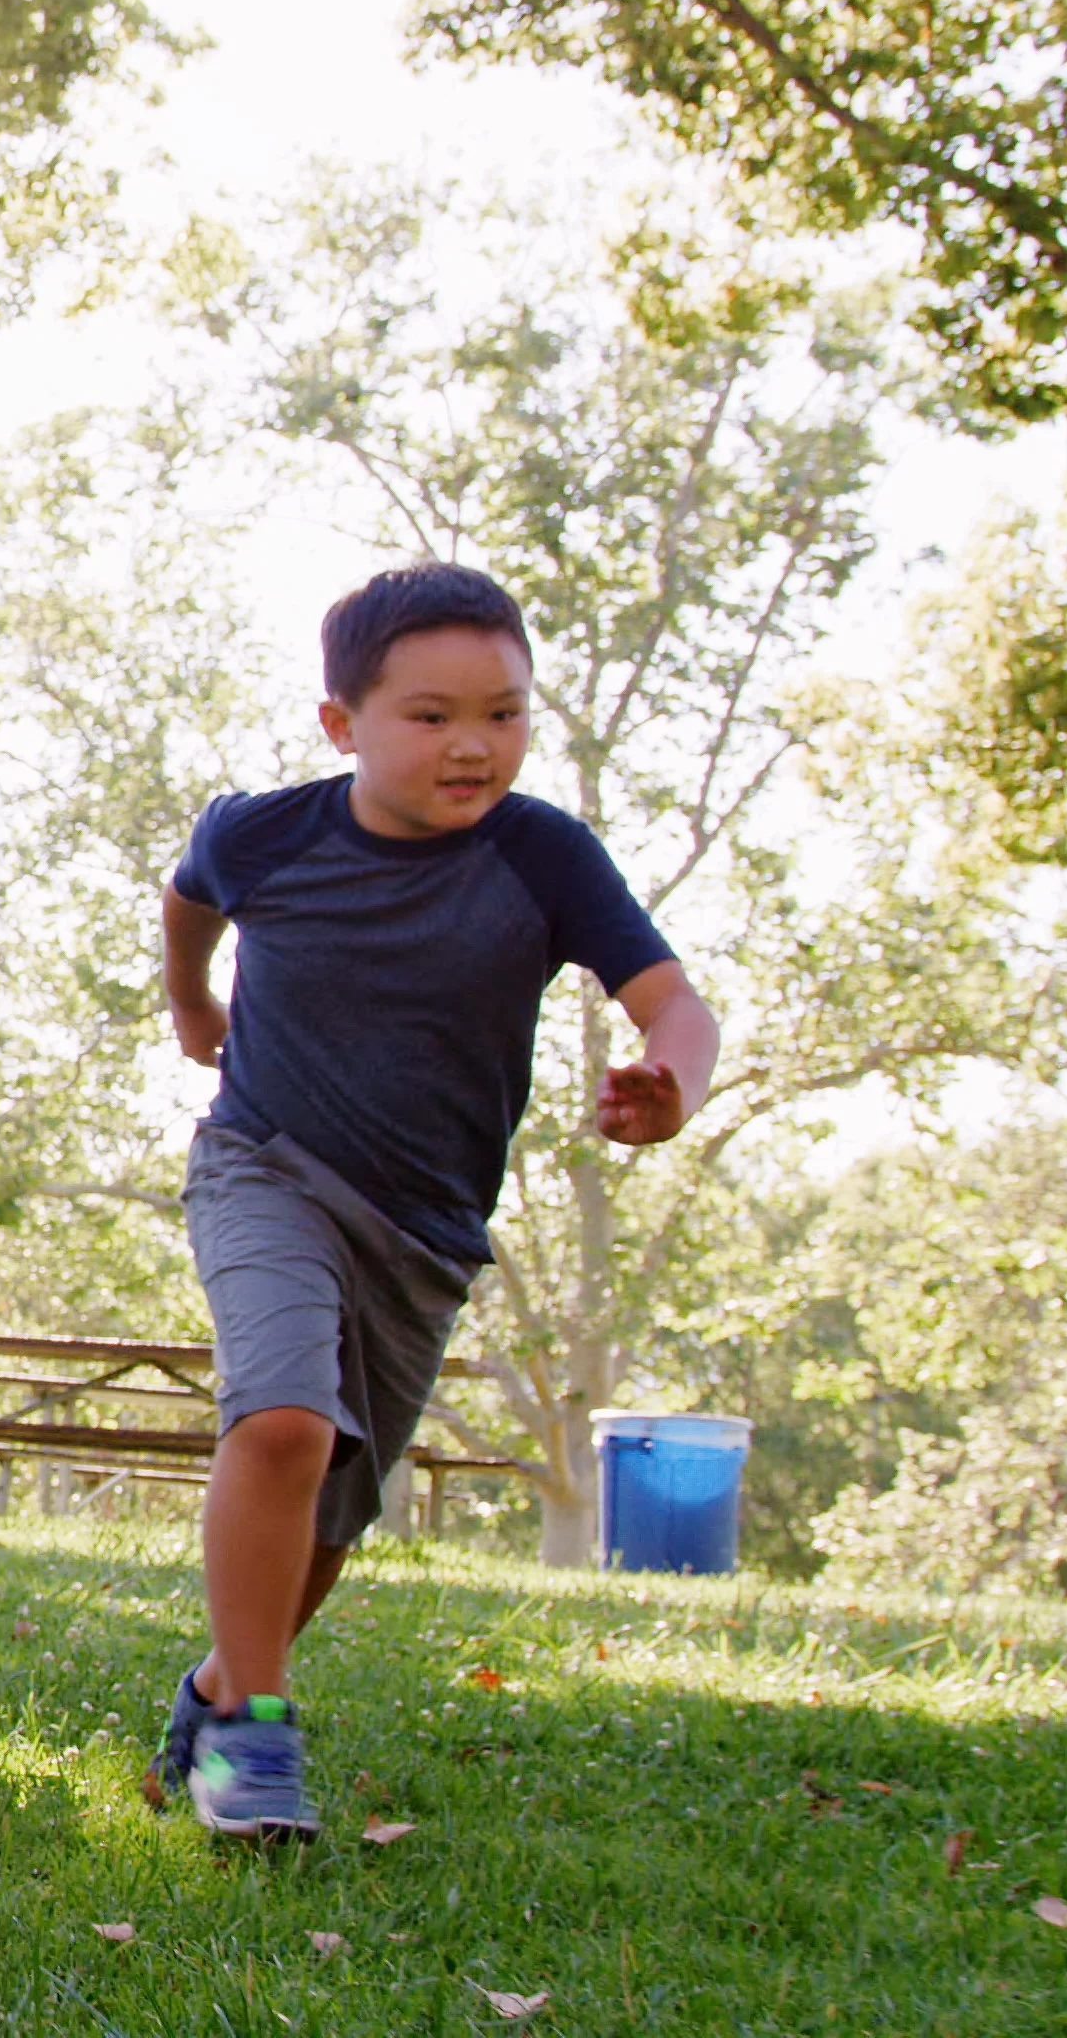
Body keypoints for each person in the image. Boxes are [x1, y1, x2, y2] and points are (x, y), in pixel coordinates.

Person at [152, 561, 716, 1842]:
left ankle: (213, 1687)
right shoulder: (266, 833)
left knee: (332, 1526)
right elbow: (190, 895)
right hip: (267, 1164)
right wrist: (193, 1003)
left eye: (505, 714)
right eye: (432, 715)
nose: (474, 745)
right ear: (342, 725)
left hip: (423, 1233)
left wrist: (673, 1076)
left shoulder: (545, 857)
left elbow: (673, 1001)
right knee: (286, 1423)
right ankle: (253, 1748)